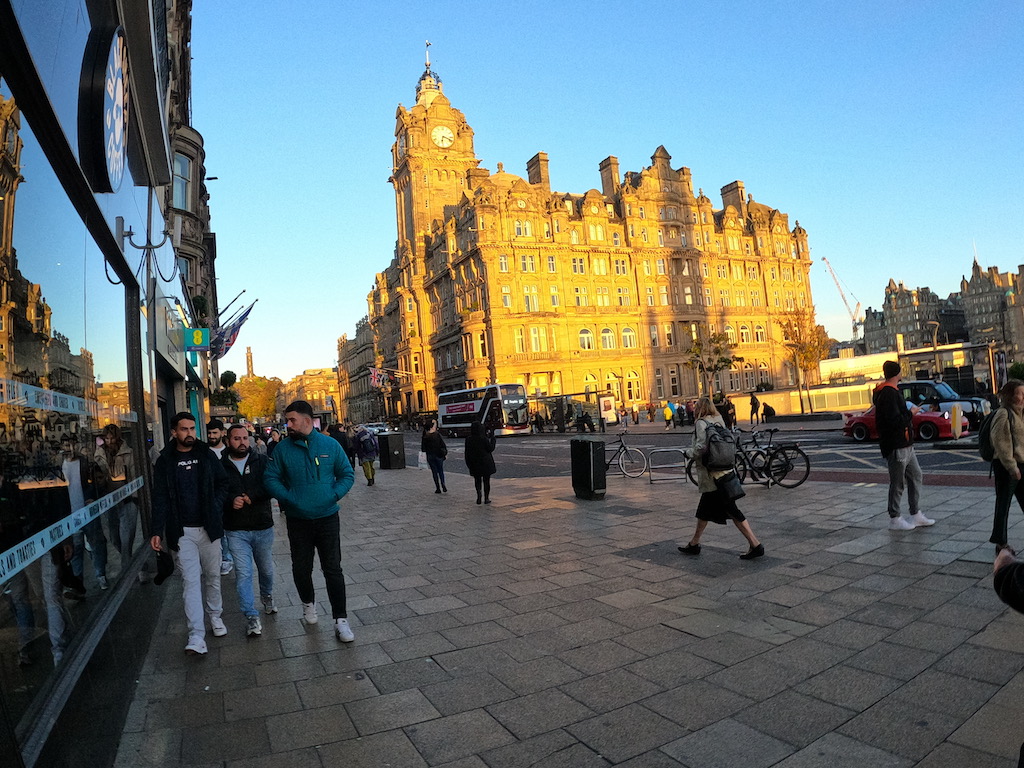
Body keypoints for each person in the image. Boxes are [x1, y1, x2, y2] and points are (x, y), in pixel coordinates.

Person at [264, 400, 356, 642]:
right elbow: (271, 478)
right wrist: (288, 498)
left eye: (292, 420)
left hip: (327, 518)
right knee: (301, 568)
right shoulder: (282, 449)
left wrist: (333, 494)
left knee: (333, 568)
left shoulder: (330, 445)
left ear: (307, 420)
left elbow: (346, 474)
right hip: (298, 520)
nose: (288, 424)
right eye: (287, 420)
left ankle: (341, 620)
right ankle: (308, 604)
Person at [150, 412, 229, 655]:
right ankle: (196, 635)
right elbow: (160, 497)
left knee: (213, 576)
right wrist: (157, 531)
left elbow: (223, 483)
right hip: (181, 532)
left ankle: (215, 616)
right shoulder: (165, 461)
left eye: (192, 428)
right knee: (191, 582)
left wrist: (215, 507)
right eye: (184, 429)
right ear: (174, 432)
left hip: (209, 528)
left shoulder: (206, 454)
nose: (189, 433)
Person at [678, 397, 763, 560]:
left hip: (712, 475)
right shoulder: (718, 420)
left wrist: (688, 453)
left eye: (696, 407)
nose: (694, 409)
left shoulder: (701, 423)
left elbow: (701, 448)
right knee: (704, 511)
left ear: (700, 409)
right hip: (723, 470)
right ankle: (694, 543)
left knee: (732, 510)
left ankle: (755, 544)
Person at [221, 425, 277, 638]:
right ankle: (251, 616)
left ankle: (267, 595)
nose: (242, 442)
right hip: (236, 529)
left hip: (262, 526)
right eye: (237, 438)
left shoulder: (261, 461)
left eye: (245, 438)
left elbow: (272, 485)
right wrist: (230, 501)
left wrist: (252, 496)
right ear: (228, 441)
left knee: (266, 569)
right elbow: (216, 492)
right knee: (243, 573)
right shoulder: (220, 466)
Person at [873, 360, 935, 531]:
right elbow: (894, 421)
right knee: (898, 482)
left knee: (916, 476)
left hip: (905, 443)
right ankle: (895, 518)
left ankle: (915, 514)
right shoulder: (888, 394)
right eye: (900, 371)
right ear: (897, 373)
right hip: (897, 444)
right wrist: (911, 413)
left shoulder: (891, 392)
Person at [94, 423, 139, 571]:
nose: (109, 441)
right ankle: (138, 565)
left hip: (127, 500)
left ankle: (127, 575)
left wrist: (135, 497)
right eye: (106, 438)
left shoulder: (128, 453)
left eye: (112, 438)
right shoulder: (99, 454)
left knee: (127, 541)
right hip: (109, 501)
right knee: (114, 538)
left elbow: (134, 476)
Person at [989, 379, 1024, 551]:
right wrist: (1012, 467)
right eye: (1020, 394)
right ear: (1010, 396)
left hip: (1021, 465)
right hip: (1006, 467)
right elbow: (1001, 443)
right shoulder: (1003, 414)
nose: (1023, 397)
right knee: (1003, 504)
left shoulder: (1020, 413)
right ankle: (1000, 543)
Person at [464, 420, 496, 505]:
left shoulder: (469, 439)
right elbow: (490, 448)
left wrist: (469, 464)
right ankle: (486, 498)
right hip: (485, 463)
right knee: (486, 481)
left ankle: (479, 495)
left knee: (477, 480)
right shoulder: (483, 438)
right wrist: (493, 439)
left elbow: (467, 453)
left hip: (474, 463)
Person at [421, 419, 448, 493]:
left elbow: (423, 448)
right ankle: (443, 484)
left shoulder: (425, 436)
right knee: (441, 471)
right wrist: (444, 453)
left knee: (434, 472)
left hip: (430, 456)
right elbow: (442, 445)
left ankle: (438, 487)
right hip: (438, 455)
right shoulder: (437, 434)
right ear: (432, 427)